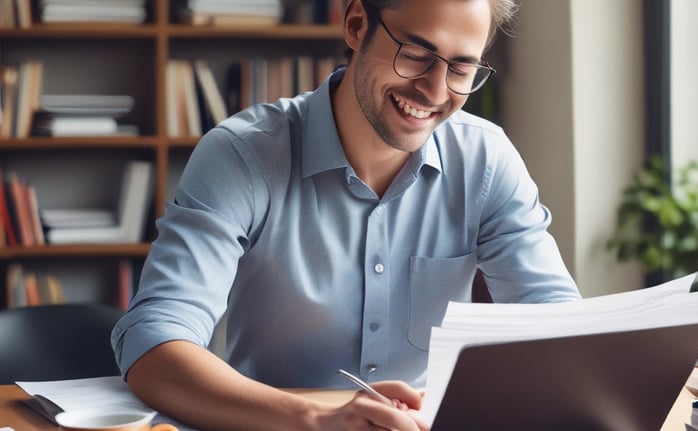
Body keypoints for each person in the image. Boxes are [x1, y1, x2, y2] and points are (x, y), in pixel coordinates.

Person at [111, 0, 582, 429]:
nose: (436, 91)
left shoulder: (486, 160)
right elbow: (154, 341)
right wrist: (317, 419)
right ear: (356, 25)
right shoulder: (242, 156)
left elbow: (558, 326)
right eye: (415, 55)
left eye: (461, 68)